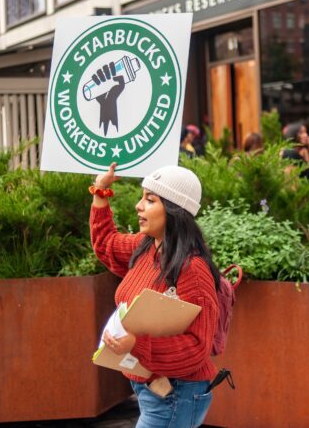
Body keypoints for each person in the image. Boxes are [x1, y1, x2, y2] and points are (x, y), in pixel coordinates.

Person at [90, 163, 220, 428]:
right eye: (142, 197)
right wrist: (101, 190)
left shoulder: (192, 270)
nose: (139, 206)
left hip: (175, 394)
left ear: (174, 211)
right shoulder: (147, 246)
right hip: (153, 390)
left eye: (150, 200)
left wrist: (135, 344)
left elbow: (197, 347)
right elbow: (107, 245)